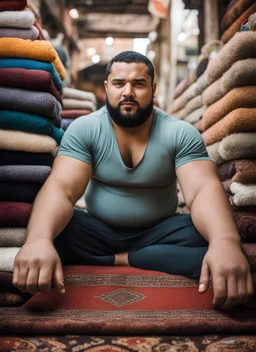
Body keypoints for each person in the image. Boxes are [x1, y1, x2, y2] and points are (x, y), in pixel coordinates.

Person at [13, 51, 253, 310]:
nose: (128, 91)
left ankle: (116, 258)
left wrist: (224, 242)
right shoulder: (85, 128)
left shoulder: (179, 132)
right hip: (96, 231)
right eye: (119, 83)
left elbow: (202, 190)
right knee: (45, 229)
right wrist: (38, 240)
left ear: (153, 88)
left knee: (220, 234)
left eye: (138, 83)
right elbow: (61, 189)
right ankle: (144, 258)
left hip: (160, 231)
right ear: (107, 88)